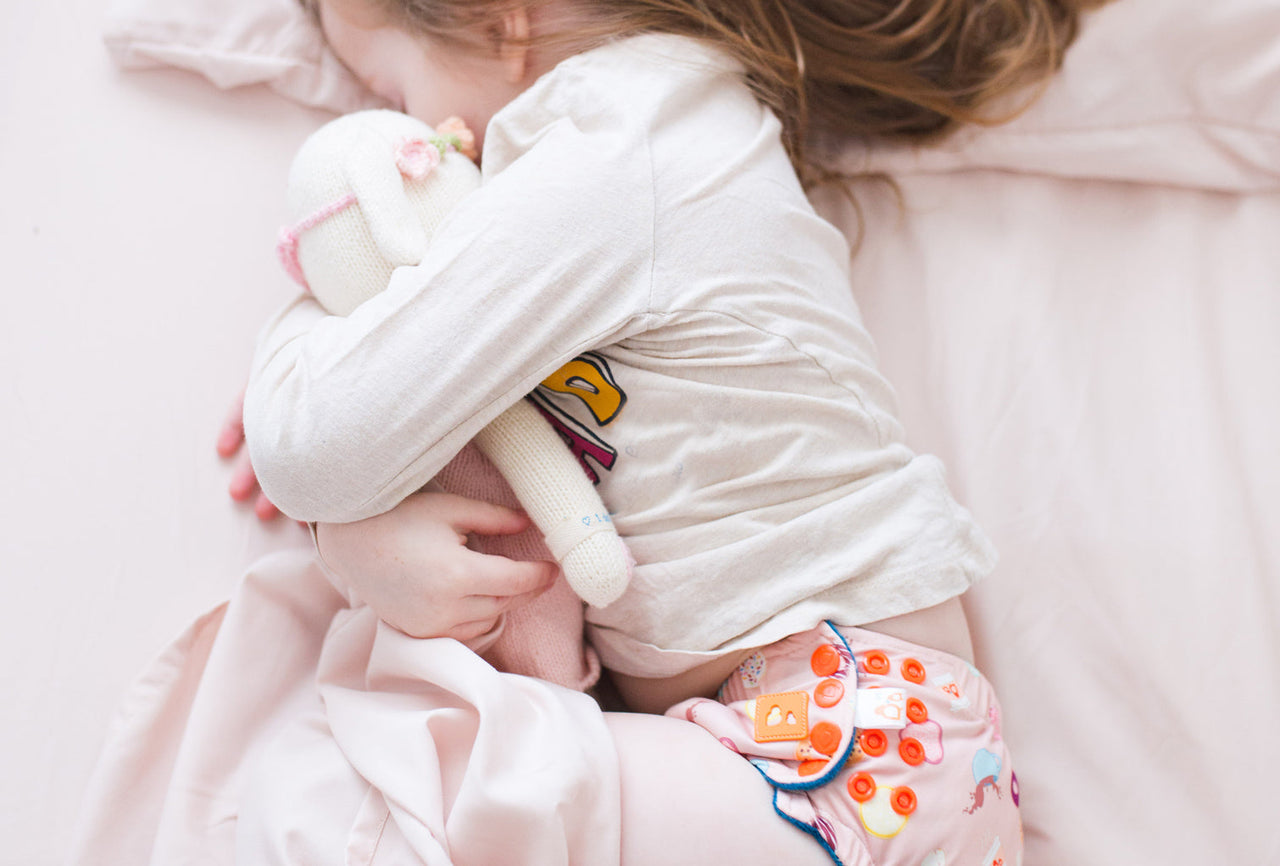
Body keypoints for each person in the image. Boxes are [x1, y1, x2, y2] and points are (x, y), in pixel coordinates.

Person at [228, 0, 1094, 862]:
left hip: (851, 750)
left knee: (350, 789)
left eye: (389, 89)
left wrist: (312, 334)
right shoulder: (651, 131)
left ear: (503, 23)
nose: (408, 130)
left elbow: (314, 447)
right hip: (845, 755)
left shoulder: (617, 148)